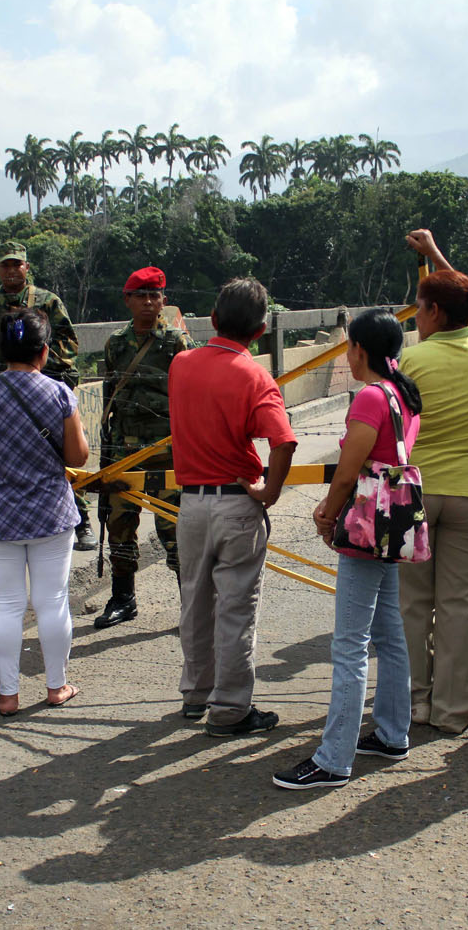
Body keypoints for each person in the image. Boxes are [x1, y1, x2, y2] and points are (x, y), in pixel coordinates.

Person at [272, 308, 422, 789]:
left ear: (359, 349)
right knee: (389, 635)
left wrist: (326, 513)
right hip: (392, 525)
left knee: (350, 644)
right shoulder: (403, 393)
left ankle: (334, 758)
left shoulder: (371, 399)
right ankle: (393, 733)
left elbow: (347, 469)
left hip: (364, 526)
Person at [169, 278, 297, 737]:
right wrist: (271, 491)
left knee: (194, 601)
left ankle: (194, 694)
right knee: (236, 608)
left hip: (191, 504)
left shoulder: (181, 364)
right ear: (261, 330)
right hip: (236, 502)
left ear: (215, 320)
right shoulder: (255, 376)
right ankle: (230, 710)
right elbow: (282, 442)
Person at [0, 309, 89, 716]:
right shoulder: (61, 394)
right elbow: (78, 456)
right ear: (44, 352)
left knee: (6, 606)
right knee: (52, 602)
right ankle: (56, 686)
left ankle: (8, 695)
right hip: (50, 513)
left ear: (2, 350)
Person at [396, 230, 468, 734]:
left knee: (414, 603)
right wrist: (438, 256)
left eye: (419, 310)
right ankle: (454, 711)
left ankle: (415, 702)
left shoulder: (412, 362)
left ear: (436, 314)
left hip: (417, 492)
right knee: (459, 605)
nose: (415, 319)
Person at [0, 241, 94, 552]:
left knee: (59, 457)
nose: (11, 270)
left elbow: (69, 343)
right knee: (1, 462)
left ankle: (81, 520)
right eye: (5, 265)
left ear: (26, 267)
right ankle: (2, 525)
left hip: (41, 391)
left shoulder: (47, 301)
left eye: (16, 264)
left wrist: (39, 369)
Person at [95, 266, 195, 629]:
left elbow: (192, 396)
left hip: (168, 451)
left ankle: (192, 603)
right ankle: (123, 598)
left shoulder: (176, 343)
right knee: (120, 524)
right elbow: (110, 398)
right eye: (142, 296)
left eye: (156, 296)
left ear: (163, 300)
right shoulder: (115, 345)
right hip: (124, 453)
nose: (150, 302)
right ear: (128, 300)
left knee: (175, 527)